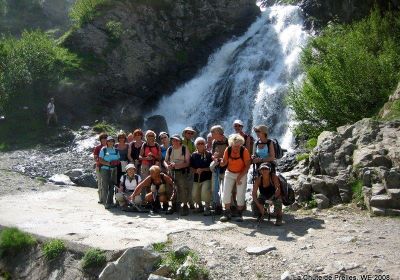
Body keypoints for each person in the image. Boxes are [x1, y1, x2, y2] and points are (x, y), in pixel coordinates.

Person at [218, 134, 251, 222]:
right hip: (229, 172)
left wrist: (239, 177)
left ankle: (239, 214)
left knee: (240, 193)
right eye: (235, 146)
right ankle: (227, 213)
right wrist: (220, 162)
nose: (237, 148)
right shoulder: (228, 149)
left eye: (239, 146)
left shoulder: (244, 151)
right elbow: (224, 162)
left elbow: (247, 166)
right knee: (226, 192)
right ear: (231, 144)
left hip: (242, 173)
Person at [164, 134, 191, 216]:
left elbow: (187, 163)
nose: (175, 141)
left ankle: (185, 205)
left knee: (182, 188)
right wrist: (167, 166)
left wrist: (176, 165)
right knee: (171, 188)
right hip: (171, 171)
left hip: (182, 172)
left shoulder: (184, 148)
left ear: (180, 141)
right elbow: (165, 161)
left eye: (177, 140)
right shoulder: (170, 149)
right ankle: (174, 205)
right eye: (173, 140)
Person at [190, 137, 212, 215]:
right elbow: (191, 167)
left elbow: (211, 167)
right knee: (194, 193)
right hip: (196, 178)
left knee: (205, 192)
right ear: (196, 145)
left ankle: (207, 207)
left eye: (202, 143)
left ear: (205, 145)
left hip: (207, 177)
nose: (200, 145)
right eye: (198, 143)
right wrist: (196, 170)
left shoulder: (209, 155)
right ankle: (200, 206)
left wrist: (203, 169)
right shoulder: (193, 155)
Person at [209, 125, 228, 215]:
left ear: (219, 133)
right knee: (214, 189)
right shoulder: (214, 142)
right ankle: (218, 206)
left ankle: (229, 207)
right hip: (217, 167)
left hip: (226, 168)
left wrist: (222, 160)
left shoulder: (228, 141)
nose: (211, 134)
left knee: (226, 189)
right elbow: (212, 154)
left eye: (213, 132)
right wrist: (214, 157)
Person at [98, 136, 120, 209]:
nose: (110, 142)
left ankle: (111, 202)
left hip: (114, 170)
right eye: (109, 141)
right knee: (105, 186)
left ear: (114, 142)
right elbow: (100, 160)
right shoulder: (103, 149)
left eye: (112, 141)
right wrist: (108, 163)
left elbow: (118, 160)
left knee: (112, 186)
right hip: (105, 169)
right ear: (107, 142)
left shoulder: (116, 150)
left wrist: (116, 162)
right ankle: (105, 203)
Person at [181, 127, 196, 209]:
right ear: (185, 133)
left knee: (190, 185)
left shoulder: (192, 143)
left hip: (190, 167)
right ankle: (184, 203)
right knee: (182, 185)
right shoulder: (180, 142)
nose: (190, 134)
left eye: (191, 133)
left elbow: (195, 153)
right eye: (188, 133)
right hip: (181, 167)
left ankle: (190, 202)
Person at [93, 133, 108, 204]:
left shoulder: (110, 147)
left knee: (107, 183)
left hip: (108, 168)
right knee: (100, 183)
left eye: (106, 138)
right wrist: (101, 161)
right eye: (103, 138)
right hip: (99, 167)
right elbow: (95, 158)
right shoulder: (98, 147)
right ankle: (101, 199)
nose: (104, 139)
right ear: (100, 139)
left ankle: (106, 198)